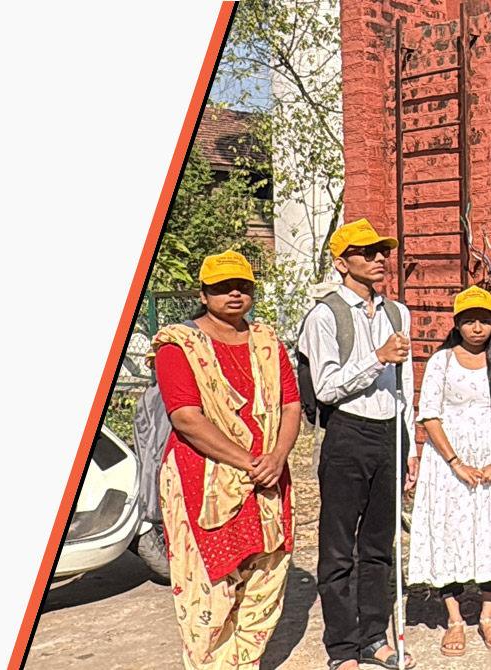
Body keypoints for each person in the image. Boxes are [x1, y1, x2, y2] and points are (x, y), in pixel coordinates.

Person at [149, 251, 304, 670]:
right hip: (204, 481)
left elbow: (292, 405)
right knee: (211, 589)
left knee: (265, 576)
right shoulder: (178, 345)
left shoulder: (267, 342)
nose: (234, 293)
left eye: (243, 285)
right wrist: (250, 461)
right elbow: (186, 418)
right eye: (221, 287)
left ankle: (246, 663)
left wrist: (276, 457)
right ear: (203, 293)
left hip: (269, 478)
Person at [300, 219, 412, 670]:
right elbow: (325, 388)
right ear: (342, 262)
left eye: (382, 251)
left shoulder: (397, 312)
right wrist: (376, 357)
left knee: (380, 544)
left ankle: (373, 637)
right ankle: (342, 648)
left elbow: (404, 383)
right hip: (346, 432)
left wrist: (410, 444)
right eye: (367, 253)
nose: (379, 259)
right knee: (338, 545)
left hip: (389, 431)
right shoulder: (325, 315)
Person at [408, 286, 491, 658]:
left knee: (490, 531)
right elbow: (429, 415)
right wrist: (455, 462)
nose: (477, 328)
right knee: (449, 532)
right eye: (469, 321)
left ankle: (487, 612)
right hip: (449, 463)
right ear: (458, 324)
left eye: (484, 320)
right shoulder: (442, 362)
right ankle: (453, 618)